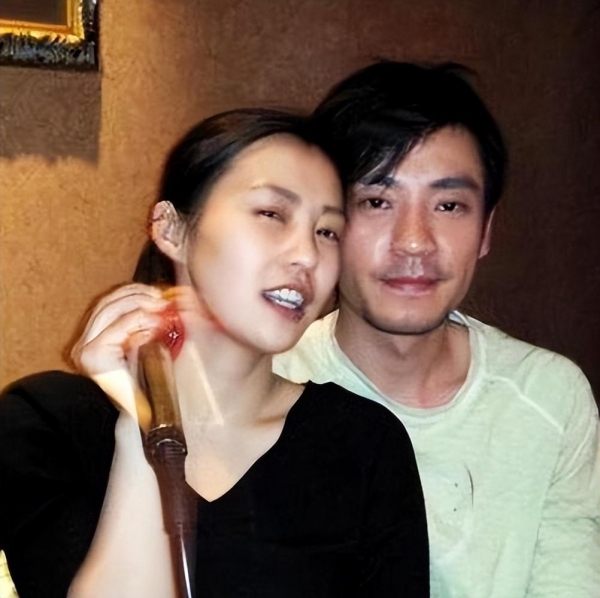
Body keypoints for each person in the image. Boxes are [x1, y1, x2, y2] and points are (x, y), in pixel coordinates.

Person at [0, 108, 429, 598]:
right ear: (172, 229)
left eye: (327, 231)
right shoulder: (43, 424)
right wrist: (140, 424)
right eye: (271, 214)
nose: (308, 255)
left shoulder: (361, 444)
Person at [274, 62, 600, 598]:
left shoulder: (549, 398)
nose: (414, 241)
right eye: (377, 202)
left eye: (449, 205)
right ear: (326, 224)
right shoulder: (265, 385)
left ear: (486, 230)